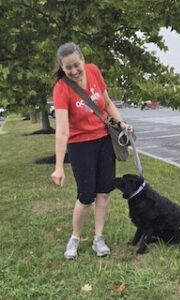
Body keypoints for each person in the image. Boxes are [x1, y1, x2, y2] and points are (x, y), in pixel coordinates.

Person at [51, 42, 133, 259]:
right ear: (62, 67)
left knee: (104, 192)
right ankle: (75, 238)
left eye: (76, 65)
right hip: (80, 146)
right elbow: (61, 130)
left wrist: (122, 123)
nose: (74, 71)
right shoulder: (61, 88)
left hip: (104, 140)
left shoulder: (94, 71)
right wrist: (59, 167)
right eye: (68, 68)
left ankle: (99, 238)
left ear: (82, 59)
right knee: (86, 196)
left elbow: (107, 104)